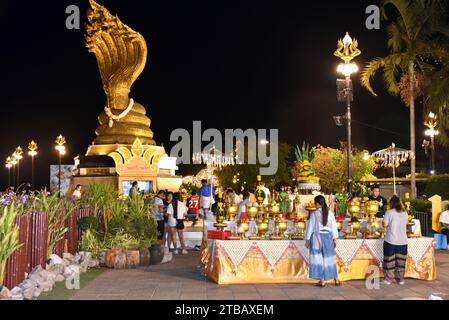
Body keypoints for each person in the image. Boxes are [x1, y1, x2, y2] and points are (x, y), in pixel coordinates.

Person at [305, 195, 340, 287]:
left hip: (317, 238)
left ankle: (322, 281)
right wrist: (335, 239)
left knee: (318, 258)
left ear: (317, 204)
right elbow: (334, 227)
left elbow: (310, 228)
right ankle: (336, 280)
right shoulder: (331, 213)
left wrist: (307, 239)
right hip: (328, 237)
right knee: (329, 258)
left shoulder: (314, 214)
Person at [382, 195, 409, 285]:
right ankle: (400, 279)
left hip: (391, 240)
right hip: (403, 240)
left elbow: (385, 225)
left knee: (389, 260)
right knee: (400, 261)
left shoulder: (389, 212)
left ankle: (388, 279)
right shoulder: (405, 213)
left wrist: (383, 223)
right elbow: (406, 223)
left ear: (391, 203)